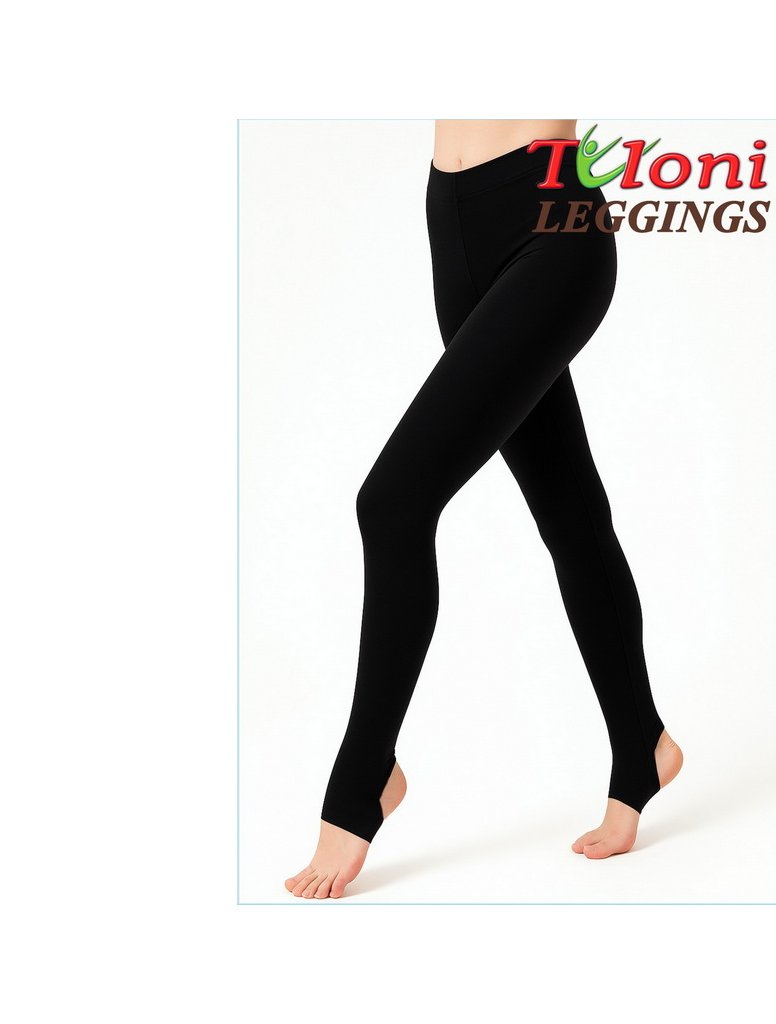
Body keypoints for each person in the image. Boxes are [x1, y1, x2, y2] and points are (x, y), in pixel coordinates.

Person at [285, 119, 683, 899]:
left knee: (392, 503)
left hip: (552, 223)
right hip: (453, 220)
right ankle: (643, 743)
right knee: (567, 509)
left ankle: (363, 779)